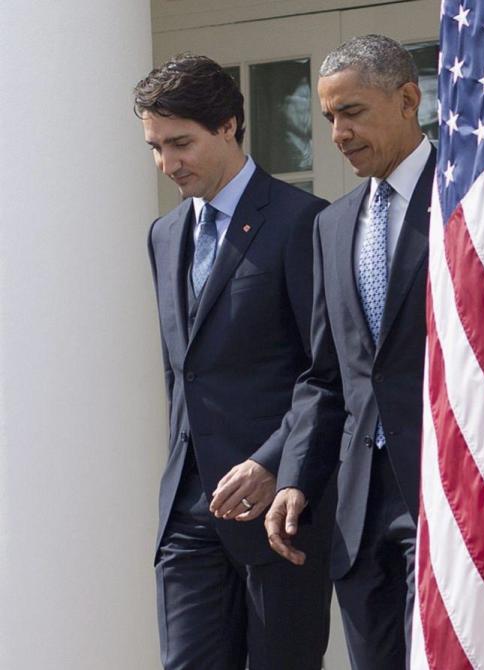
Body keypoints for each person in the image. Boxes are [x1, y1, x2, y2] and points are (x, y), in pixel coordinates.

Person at [136, 53, 335, 670]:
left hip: (279, 513)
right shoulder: (163, 235)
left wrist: (273, 463)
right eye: (155, 146)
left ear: (227, 126)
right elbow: (184, 373)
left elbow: (324, 373)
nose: (168, 164)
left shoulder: (306, 222)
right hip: (188, 513)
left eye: (181, 144)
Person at [264, 35, 435, 669]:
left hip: (446, 490)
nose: (337, 132)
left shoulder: (471, 200)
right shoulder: (330, 226)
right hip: (358, 509)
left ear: (409, 100)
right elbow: (325, 377)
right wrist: (296, 478)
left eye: (353, 112)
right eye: (329, 116)